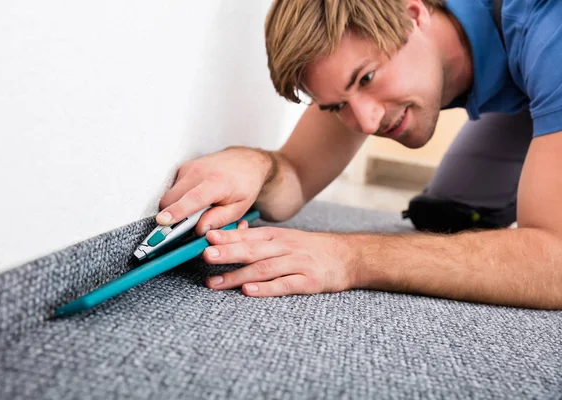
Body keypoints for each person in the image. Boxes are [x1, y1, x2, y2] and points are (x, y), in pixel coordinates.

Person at [156, 0, 562, 309]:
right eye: (337, 106)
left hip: (546, 59)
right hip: (529, 83)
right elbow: (296, 174)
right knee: (444, 216)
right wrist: (254, 163)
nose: (367, 122)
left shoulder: (548, 31)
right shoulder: (367, 60)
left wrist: (352, 257)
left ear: (413, 14)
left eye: (366, 78)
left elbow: (554, 262)